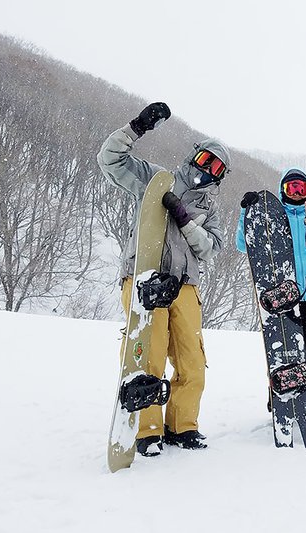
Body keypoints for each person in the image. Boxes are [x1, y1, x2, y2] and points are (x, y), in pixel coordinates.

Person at [97, 102, 231, 457]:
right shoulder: (157, 180)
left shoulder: (210, 209)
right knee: (148, 355)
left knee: (192, 361)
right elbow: (109, 160)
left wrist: (185, 219)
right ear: (193, 157)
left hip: (185, 286)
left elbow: (210, 248)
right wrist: (137, 127)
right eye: (205, 160)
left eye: (217, 168)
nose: (208, 170)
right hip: (145, 279)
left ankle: (182, 426)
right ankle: (147, 430)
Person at [236, 169, 306, 426]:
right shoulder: (272, 219)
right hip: (282, 297)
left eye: (300, 189)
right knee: (283, 354)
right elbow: (244, 244)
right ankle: (283, 405)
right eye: (291, 188)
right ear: (282, 190)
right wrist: (246, 214)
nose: (296, 193)